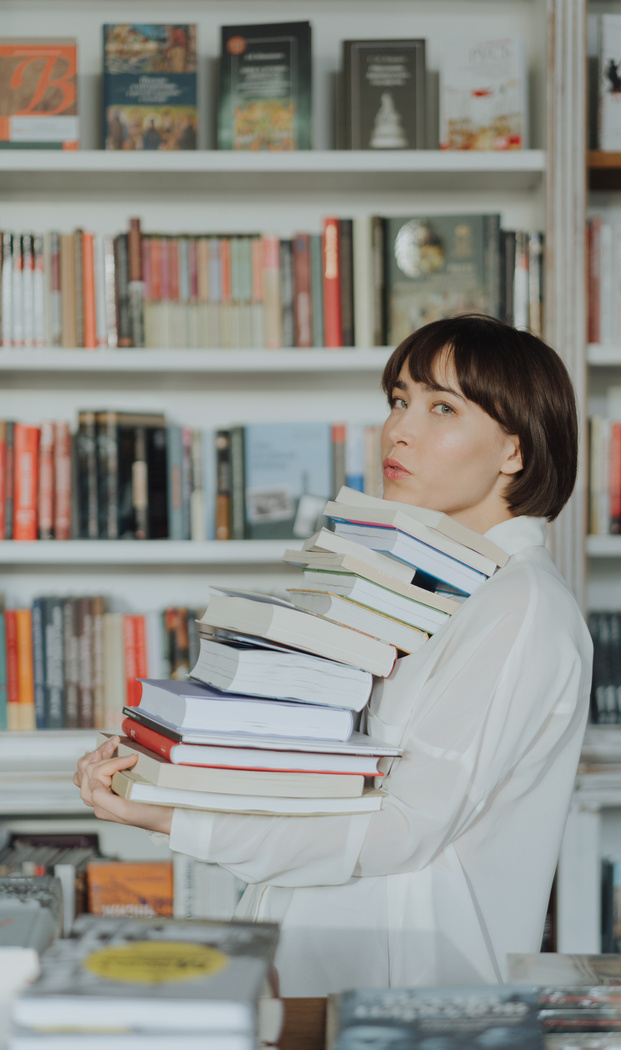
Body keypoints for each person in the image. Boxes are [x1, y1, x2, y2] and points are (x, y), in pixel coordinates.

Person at [74, 314, 593, 997]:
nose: (400, 429)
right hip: (317, 968)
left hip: (408, 995)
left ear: (514, 453)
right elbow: (325, 776)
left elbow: (403, 827)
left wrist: (172, 818)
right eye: (400, 401)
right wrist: (160, 774)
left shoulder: (523, 608)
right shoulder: (431, 586)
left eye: (442, 408)